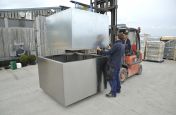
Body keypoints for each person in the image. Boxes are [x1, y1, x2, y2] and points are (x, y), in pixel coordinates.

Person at [97, 33, 125, 97]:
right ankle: (118, 89)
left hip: (113, 64)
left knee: (112, 78)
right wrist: (111, 48)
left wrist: (100, 50)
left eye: (116, 36)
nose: (115, 37)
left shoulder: (116, 45)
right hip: (118, 64)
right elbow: (115, 52)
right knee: (116, 77)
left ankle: (113, 93)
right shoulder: (122, 45)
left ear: (118, 37)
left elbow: (109, 53)